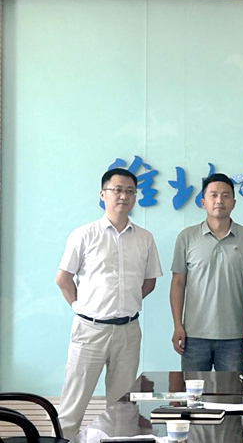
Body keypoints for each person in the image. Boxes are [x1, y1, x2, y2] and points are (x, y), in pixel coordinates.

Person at [56, 168, 162, 439]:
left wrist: (124, 305)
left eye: (130, 191)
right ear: (103, 195)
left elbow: (149, 282)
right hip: (89, 330)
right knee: (72, 405)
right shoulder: (84, 234)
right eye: (117, 190)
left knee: (122, 406)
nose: (123, 196)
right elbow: (63, 279)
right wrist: (80, 308)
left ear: (135, 197)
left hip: (128, 331)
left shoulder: (145, 238)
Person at [170, 173, 243, 372]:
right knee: (193, 391)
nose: (219, 200)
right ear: (203, 202)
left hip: (233, 337)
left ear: (234, 203)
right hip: (193, 336)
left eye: (226, 196)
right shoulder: (187, 237)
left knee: (231, 391)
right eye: (213, 195)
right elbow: (178, 283)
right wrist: (178, 325)